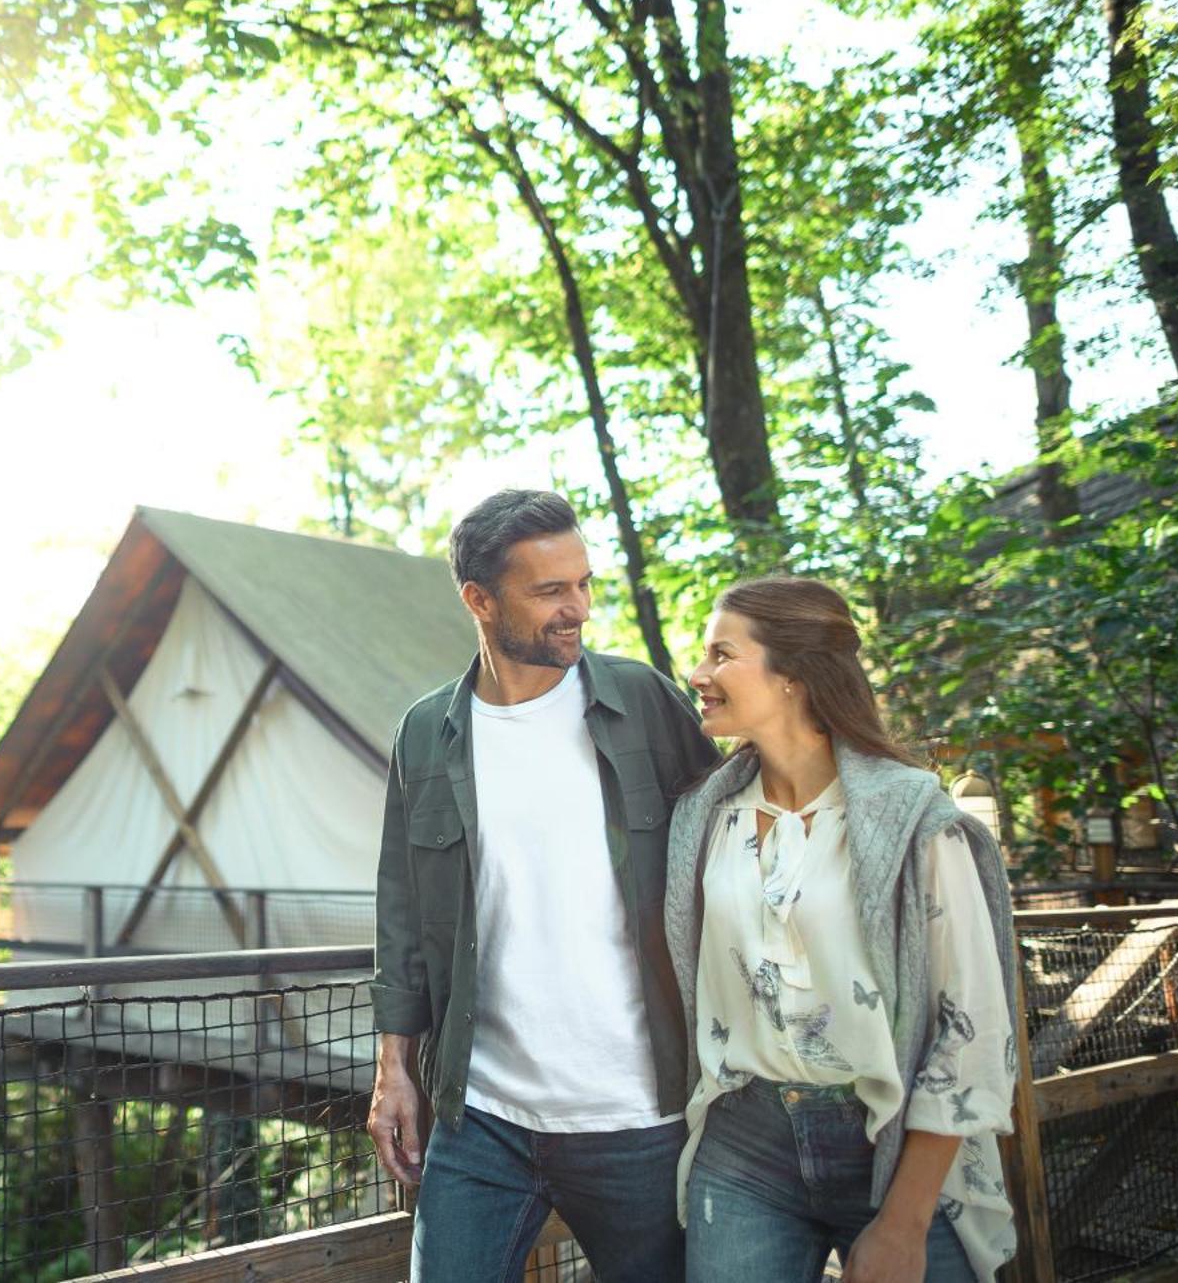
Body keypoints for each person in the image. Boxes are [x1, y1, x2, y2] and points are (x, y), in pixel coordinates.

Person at [368, 489, 721, 1282]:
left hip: (641, 1117)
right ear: (479, 599)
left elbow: (743, 841)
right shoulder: (427, 731)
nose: (579, 609)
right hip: (481, 1117)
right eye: (551, 590)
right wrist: (394, 1065)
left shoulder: (644, 702)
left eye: (585, 583)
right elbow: (402, 908)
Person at [662, 577, 1018, 1283]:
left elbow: (972, 1027)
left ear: (792, 675)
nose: (698, 674)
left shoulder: (915, 820)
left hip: (891, 1144)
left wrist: (906, 1219)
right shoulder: (706, 817)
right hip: (742, 1144)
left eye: (721, 654)